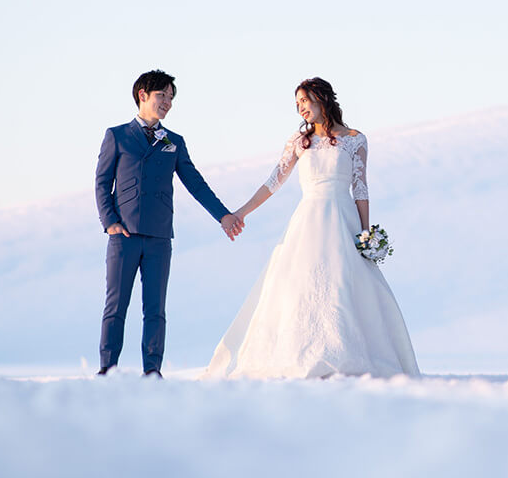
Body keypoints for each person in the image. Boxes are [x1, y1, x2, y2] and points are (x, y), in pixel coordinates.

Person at [203, 77, 420, 379]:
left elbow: (360, 187)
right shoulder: (298, 141)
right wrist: (240, 212)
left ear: (322, 98)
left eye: (304, 100)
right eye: (297, 104)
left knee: (344, 284)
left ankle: (347, 354)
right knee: (299, 285)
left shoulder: (355, 138)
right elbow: (273, 182)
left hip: (342, 219)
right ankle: (301, 354)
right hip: (308, 220)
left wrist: (366, 233)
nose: (301, 108)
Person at [95, 69, 243, 378]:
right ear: (143, 96)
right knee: (115, 307)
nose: (168, 103)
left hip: (160, 236)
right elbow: (101, 182)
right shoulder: (117, 135)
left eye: (171, 98)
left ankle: (152, 370)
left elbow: (196, 184)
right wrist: (110, 222)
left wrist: (224, 215)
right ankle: (107, 370)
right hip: (124, 235)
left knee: (156, 309)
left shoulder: (174, 142)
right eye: (162, 95)